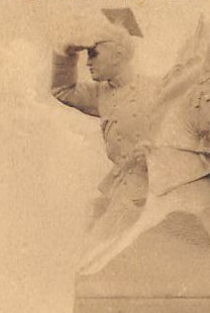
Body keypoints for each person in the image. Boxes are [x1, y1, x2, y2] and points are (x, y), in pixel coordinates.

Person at [51, 20, 160, 229]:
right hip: (120, 190)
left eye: (93, 54)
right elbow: (62, 90)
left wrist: (156, 151)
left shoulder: (156, 88)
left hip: (152, 189)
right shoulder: (101, 94)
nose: (87, 63)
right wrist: (67, 52)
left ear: (117, 56)